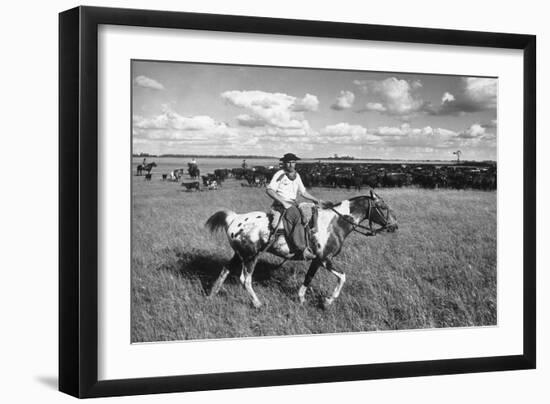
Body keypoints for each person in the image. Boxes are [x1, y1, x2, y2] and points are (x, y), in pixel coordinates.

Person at [266, 153, 324, 260]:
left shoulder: (297, 176)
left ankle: (312, 240)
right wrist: (283, 202)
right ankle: (301, 249)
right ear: (284, 163)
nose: (291, 164)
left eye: (293, 162)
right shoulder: (280, 174)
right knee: (297, 216)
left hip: (293, 203)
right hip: (281, 204)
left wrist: (316, 200)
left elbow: (303, 192)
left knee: (313, 210)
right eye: (288, 162)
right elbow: (269, 190)